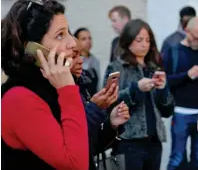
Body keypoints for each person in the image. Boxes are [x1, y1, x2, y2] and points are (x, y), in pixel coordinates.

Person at [1, 0, 88, 169]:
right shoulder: (19, 99)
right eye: (60, 35)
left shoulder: (51, 86)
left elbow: (81, 144)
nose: (73, 43)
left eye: (68, 32)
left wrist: (108, 125)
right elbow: (76, 164)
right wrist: (68, 90)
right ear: (31, 49)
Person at [104, 19, 175, 170]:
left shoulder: (153, 67)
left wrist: (163, 89)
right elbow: (109, 102)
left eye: (148, 40)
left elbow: (167, 110)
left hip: (154, 140)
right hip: (128, 140)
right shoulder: (117, 67)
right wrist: (136, 88)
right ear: (128, 41)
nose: (145, 44)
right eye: (139, 40)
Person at [163, 17, 198, 170]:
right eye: (197, 38)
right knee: (177, 158)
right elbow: (164, 81)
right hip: (181, 112)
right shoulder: (172, 51)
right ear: (187, 32)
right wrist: (187, 75)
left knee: (197, 160)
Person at [70, 38, 130, 170]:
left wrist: (112, 123)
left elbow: (92, 144)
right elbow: (73, 142)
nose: (80, 60)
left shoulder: (81, 86)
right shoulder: (55, 94)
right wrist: (94, 107)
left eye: (80, 55)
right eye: (74, 56)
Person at [74, 27, 101, 95]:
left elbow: (98, 86)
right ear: (76, 41)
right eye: (83, 39)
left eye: (89, 38)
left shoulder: (95, 61)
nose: (88, 41)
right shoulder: (73, 61)